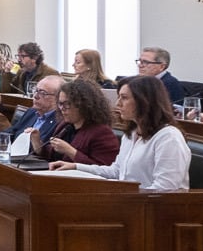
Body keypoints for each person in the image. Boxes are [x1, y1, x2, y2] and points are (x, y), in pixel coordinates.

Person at [59, 75, 190, 190]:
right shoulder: (132, 133)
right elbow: (116, 172)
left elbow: (166, 189)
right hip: (130, 202)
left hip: (150, 211)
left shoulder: (168, 137)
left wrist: (121, 196)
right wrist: (75, 167)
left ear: (144, 101)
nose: (118, 103)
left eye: (124, 98)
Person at [40, 78, 120, 165]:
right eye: (60, 104)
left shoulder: (102, 133)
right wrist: (38, 143)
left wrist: (71, 152)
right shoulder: (65, 126)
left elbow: (104, 170)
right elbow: (52, 157)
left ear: (83, 104)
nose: (62, 109)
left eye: (67, 104)